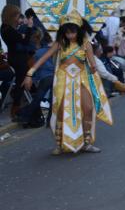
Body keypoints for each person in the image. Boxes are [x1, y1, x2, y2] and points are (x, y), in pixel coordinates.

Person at [24, 11, 113, 154]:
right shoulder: (60, 43)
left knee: (88, 108)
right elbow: (43, 58)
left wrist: (93, 67)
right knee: (60, 110)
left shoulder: (85, 43)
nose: (70, 35)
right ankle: (60, 144)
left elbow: (92, 63)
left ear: (79, 30)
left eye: (73, 32)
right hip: (64, 79)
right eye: (67, 33)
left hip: (82, 78)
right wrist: (29, 73)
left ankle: (87, 143)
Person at [15, 30, 54, 127]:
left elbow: (36, 69)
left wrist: (34, 79)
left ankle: (25, 114)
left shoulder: (38, 53)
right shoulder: (58, 50)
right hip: (54, 76)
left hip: (44, 77)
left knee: (38, 98)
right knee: (48, 99)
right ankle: (27, 114)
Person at [1, 5, 33, 119]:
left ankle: (19, 103)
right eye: (17, 15)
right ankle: (16, 107)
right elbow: (25, 41)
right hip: (17, 59)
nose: (18, 17)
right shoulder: (7, 29)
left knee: (23, 80)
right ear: (11, 16)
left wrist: (22, 33)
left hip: (16, 57)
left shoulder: (7, 28)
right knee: (21, 81)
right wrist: (29, 27)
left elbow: (21, 38)